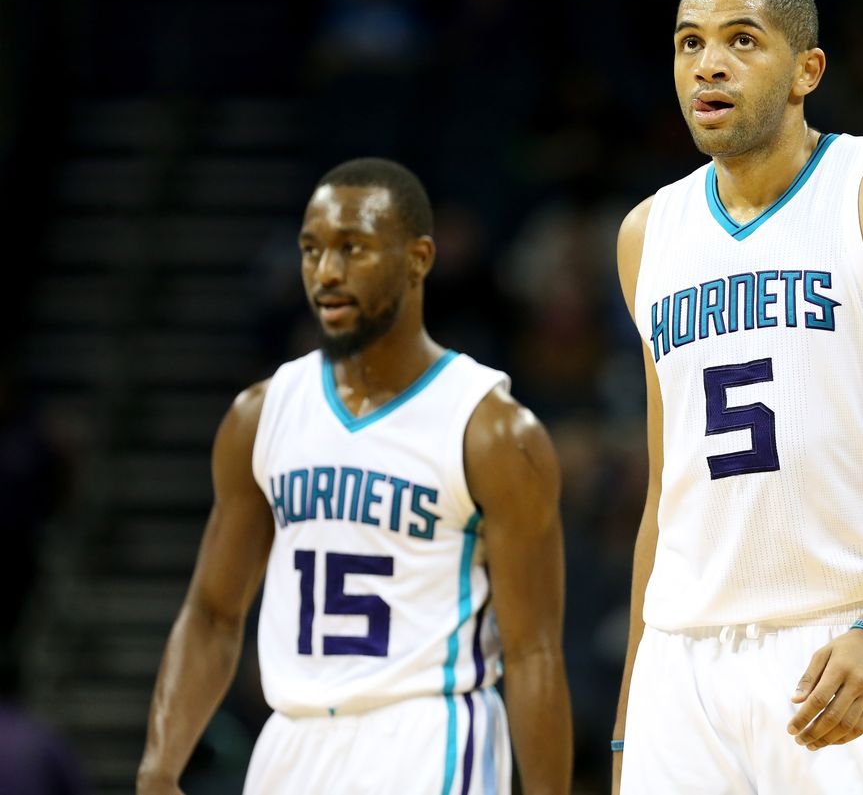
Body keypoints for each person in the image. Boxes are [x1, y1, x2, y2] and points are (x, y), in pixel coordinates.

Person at [612, 0, 863, 794]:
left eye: (741, 41)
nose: (708, 65)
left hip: (844, 632)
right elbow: (662, 495)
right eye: (689, 44)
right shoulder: (647, 235)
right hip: (681, 661)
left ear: (806, 71)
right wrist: (628, 718)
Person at [137, 158, 572, 795]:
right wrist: (158, 768)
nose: (326, 272)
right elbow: (212, 613)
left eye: (353, 249)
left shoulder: (492, 431)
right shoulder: (260, 416)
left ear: (419, 259)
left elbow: (534, 652)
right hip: (292, 742)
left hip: (427, 737)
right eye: (311, 250)